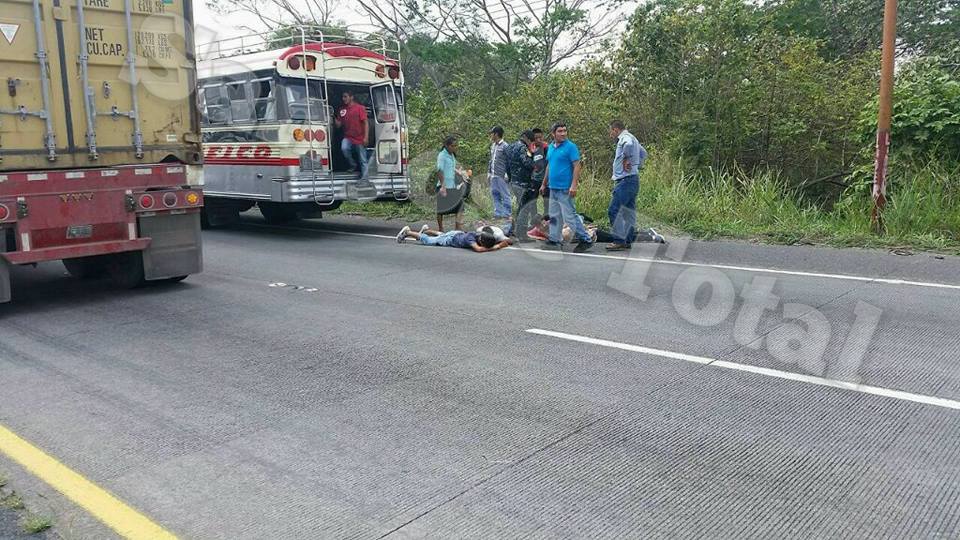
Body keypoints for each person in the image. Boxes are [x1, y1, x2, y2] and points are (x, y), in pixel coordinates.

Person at [539, 122, 593, 252]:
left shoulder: (570, 147)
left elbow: (577, 166)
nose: (563, 133)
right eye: (560, 131)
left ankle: (585, 239)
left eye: (564, 131)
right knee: (554, 215)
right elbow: (549, 166)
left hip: (565, 188)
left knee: (569, 216)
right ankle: (554, 240)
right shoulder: (551, 147)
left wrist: (574, 185)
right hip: (553, 187)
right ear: (553, 133)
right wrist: (544, 183)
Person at [606, 120, 648, 251]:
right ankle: (627, 240)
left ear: (615, 129)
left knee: (613, 210)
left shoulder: (625, 138)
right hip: (633, 179)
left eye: (611, 132)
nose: (611, 135)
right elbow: (644, 153)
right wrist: (637, 165)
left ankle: (619, 240)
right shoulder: (634, 138)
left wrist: (626, 159)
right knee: (629, 212)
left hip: (625, 180)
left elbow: (628, 145)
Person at [506, 130, 538, 241]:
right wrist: (533, 157)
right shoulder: (523, 148)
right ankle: (522, 234)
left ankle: (515, 231)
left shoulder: (510, 147)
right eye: (531, 141)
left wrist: (511, 178)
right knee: (524, 209)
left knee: (520, 207)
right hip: (523, 183)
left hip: (514, 182)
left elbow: (507, 165)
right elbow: (527, 163)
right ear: (527, 139)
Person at [396, 224, 512, 253]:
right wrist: (498, 246)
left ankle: (427, 230)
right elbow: (478, 249)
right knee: (429, 241)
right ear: (481, 241)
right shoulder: (471, 239)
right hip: (451, 239)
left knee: (442, 234)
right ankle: (408, 232)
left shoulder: (477, 234)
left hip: (456, 234)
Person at [435, 136, 469, 232]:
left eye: (456, 145)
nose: (455, 147)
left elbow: (450, 167)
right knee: (441, 209)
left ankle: (457, 228)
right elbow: (439, 170)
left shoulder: (452, 155)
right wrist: (443, 186)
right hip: (444, 186)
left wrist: (458, 172)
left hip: (452, 185)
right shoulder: (442, 155)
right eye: (453, 146)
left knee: (460, 205)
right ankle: (441, 229)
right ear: (446, 145)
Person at [334, 91, 369, 183]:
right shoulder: (342, 110)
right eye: (343, 97)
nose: (343, 99)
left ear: (351, 97)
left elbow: (365, 123)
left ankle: (365, 179)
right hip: (348, 137)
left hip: (360, 137)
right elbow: (339, 125)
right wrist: (333, 117)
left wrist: (366, 137)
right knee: (344, 148)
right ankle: (353, 164)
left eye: (345, 97)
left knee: (363, 159)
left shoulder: (360, 108)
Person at [488, 126, 511, 220]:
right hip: (494, 174)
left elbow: (509, 161)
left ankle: (507, 214)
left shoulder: (505, 146)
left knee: (505, 194)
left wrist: (507, 173)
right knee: (495, 194)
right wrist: (489, 172)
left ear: (496, 134)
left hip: (502, 175)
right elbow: (491, 160)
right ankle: (498, 213)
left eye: (492, 133)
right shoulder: (493, 146)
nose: (491, 135)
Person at [531, 128, 549, 219]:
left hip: (545, 179)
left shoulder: (546, 148)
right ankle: (534, 219)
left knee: (547, 201)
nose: (538, 140)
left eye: (540, 138)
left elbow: (549, 163)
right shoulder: (531, 148)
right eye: (536, 138)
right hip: (534, 179)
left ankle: (547, 219)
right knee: (532, 200)